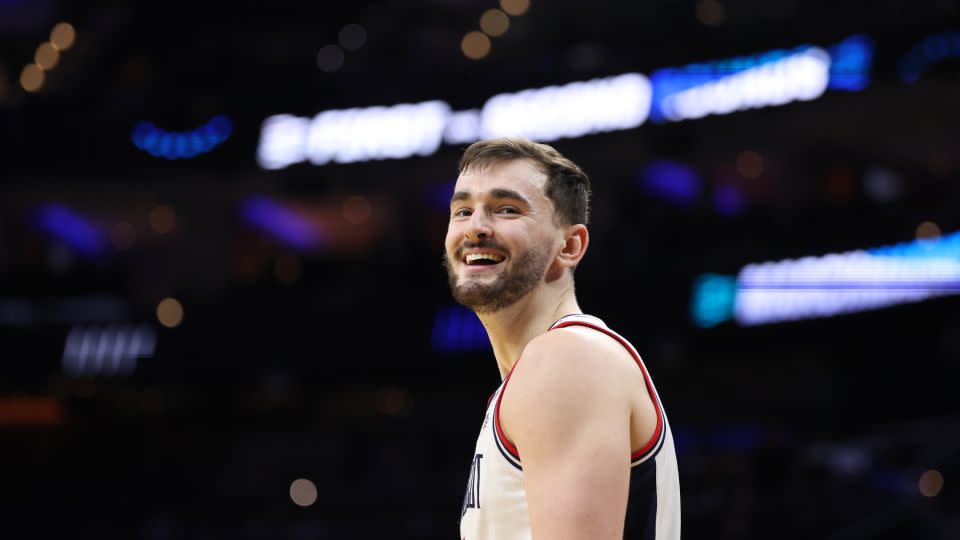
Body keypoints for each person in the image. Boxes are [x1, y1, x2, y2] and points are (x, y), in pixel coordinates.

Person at [446, 137, 680, 540]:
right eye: (463, 210)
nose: (476, 228)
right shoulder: (537, 374)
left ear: (570, 246)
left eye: (507, 209)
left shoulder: (568, 359)